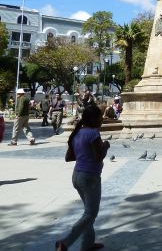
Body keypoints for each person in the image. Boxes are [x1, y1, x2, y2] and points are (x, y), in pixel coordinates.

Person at [55, 104, 109, 251]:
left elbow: (68, 157)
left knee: (88, 212)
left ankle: (88, 244)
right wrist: (106, 146)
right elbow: (99, 157)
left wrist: (83, 153)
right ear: (94, 119)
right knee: (91, 213)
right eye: (100, 117)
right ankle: (65, 242)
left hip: (77, 175)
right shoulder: (93, 134)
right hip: (90, 177)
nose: (102, 119)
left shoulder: (77, 133)